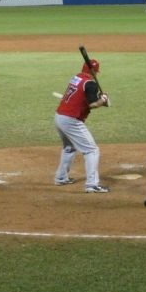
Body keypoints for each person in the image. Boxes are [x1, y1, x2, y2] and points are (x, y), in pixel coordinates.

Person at [53, 58, 110, 192]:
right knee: (92, 150)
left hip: (59, 117)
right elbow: (93, 104)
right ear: (94, 71)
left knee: (69, 147)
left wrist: (100, 99)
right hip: (71, 120)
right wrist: (102, 101)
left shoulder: (77, 78)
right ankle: (92, 185)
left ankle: (61, 178)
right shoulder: (90, 84)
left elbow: (82, 97)